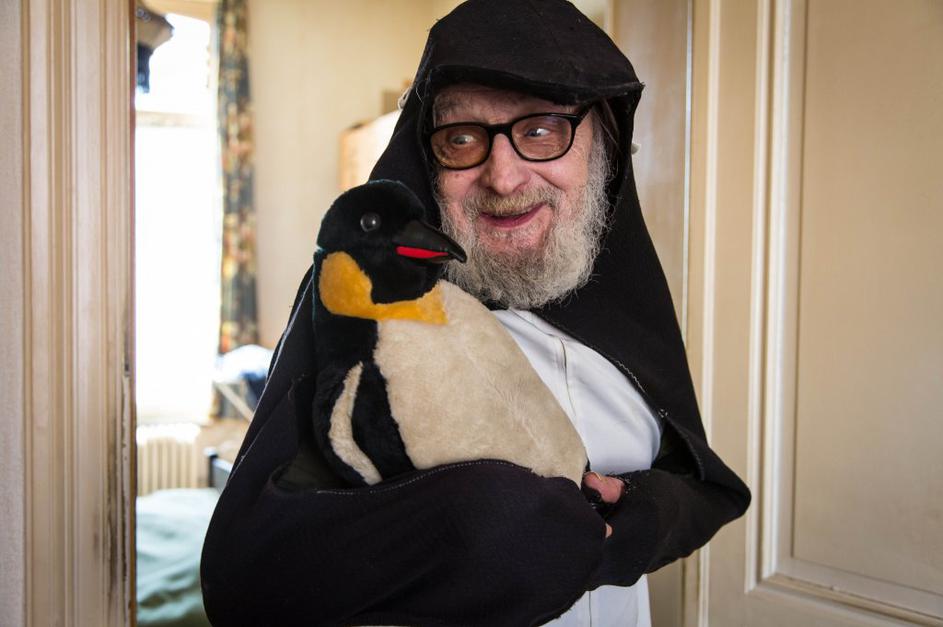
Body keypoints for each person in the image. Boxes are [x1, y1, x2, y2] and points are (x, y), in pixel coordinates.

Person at [200, 1, 750, 626]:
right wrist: (470, 514)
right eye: (461, 138)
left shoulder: (624, 305)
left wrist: (641, 519)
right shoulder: (365, 310)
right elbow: (248, 577)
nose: (504, 177)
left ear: (603, 143)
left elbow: (705, 487)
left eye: (541, 130)